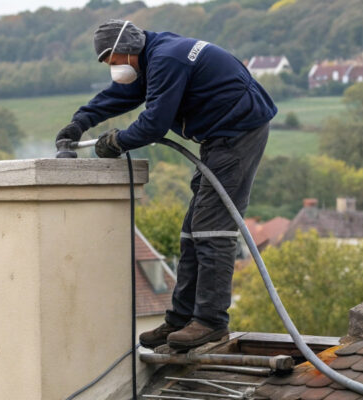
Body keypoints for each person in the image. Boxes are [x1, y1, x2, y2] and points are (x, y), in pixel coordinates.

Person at [56, 19, 276, 350]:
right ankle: (181, 319)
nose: (114, 70)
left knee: (212, 229)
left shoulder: (167, 59)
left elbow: (155, 123)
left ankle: (211, 322)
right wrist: (80, 122)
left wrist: (118, 141)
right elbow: (121, 95)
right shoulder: (151, 58)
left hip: (238, 133)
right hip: (220, 137)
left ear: (127, 50)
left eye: (114, 62)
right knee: (192, 230)